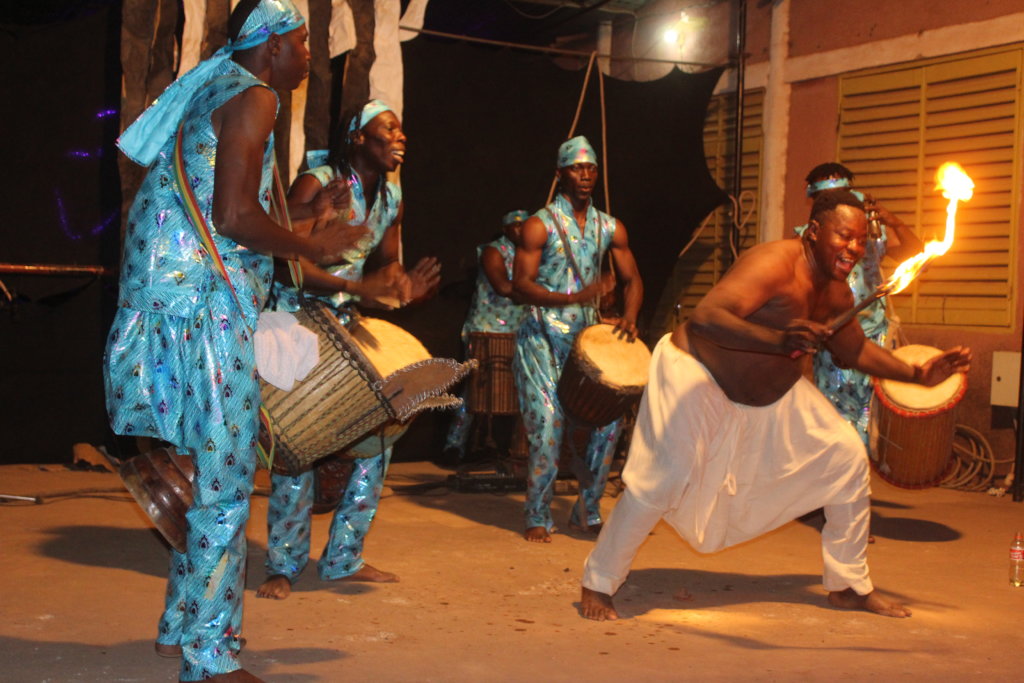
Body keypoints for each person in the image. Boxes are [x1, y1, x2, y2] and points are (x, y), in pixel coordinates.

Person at [104, 1, 360, 680]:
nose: (310, 55)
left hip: (178, 299)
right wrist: (308, 245)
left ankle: (178, 626)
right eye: (303, 43)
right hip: (205, 310)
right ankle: (209, 657)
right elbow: (236, 214)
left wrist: (308, 210)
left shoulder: (219, 87)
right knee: (223, 482)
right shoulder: (254, 98)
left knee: (204, 471)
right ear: (272, 46)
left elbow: (231, 203)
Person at [579, 190, 971, 621]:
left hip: (772, 395)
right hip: (699, 375)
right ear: (815, 231)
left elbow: (856, 352)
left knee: (845, 459)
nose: (854, 249)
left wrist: (917, 374)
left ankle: (848, 585)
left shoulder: (838, 293)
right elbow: (708, 317)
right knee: (663, 478)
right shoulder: (774, 263)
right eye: (844, 237)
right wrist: (778, 340)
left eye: (861, 240)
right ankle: (598, 582)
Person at [256, 99, 441, 600]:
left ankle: (343, 557)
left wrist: (404, 287)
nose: (400, 137)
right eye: (389, 129)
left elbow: (387, 264)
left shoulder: (393, 195)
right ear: (359, 137)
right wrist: (363, 289)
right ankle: (283, 564)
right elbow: (286, 266)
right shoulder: (318, 183)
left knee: (377, 440)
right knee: (299, 448)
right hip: (295, 321)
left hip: (345, 323)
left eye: (402, 129)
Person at [512, 136, 643, 543]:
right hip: (540, 338)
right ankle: (537, 513)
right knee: (548, 427)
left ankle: (587, 511)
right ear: (560, 174)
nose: (585, 176)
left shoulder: (610, 226)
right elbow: (520, 286)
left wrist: (631, 316)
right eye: (576, 168)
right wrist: (572, 297)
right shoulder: (540, 224)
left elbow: (632, 279)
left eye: (591, 168)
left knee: (607, 427)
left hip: (587, 342)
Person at [795, 163, 923, 448]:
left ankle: (857, 474)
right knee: (836, 421)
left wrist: (895, 222)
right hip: (834, 340)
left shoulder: (868, 234)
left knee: (869, 421)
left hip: (872, 337)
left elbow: (916, 256)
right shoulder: (808, 237)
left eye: (844, 195)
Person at [442, 210, 528, 461]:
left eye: (525, 226)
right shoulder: (494, 250)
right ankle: (454, 445)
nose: (521, 231)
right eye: (516, 226)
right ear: (506, 229)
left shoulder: (533, 254)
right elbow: (502, 286)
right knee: (476, 390)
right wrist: (540, 293)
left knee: (518, 391)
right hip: (486, 329)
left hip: (518, 330)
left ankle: (512, 449)